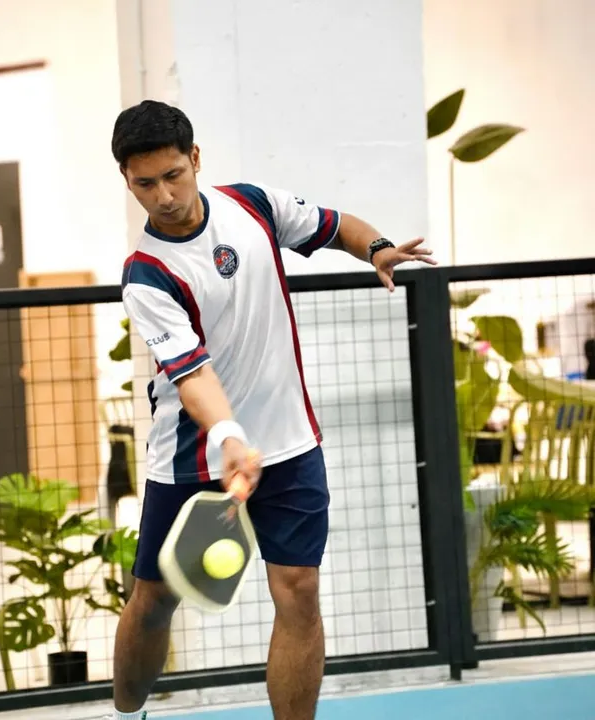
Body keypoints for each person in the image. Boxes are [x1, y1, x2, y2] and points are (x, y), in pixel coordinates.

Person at [103, 100, 436, 720]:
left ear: (195, 158)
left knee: (300, 591)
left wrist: (376, 248)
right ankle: (126, 715)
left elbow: (334, 224)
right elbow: (193, 374)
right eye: (145, 184)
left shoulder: (252, 205)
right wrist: (230, 437)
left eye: (173, 175)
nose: (164, 196)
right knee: (155, 599)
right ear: (127, 179)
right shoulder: (147, 274)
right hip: (193, 456)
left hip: (288, 445)